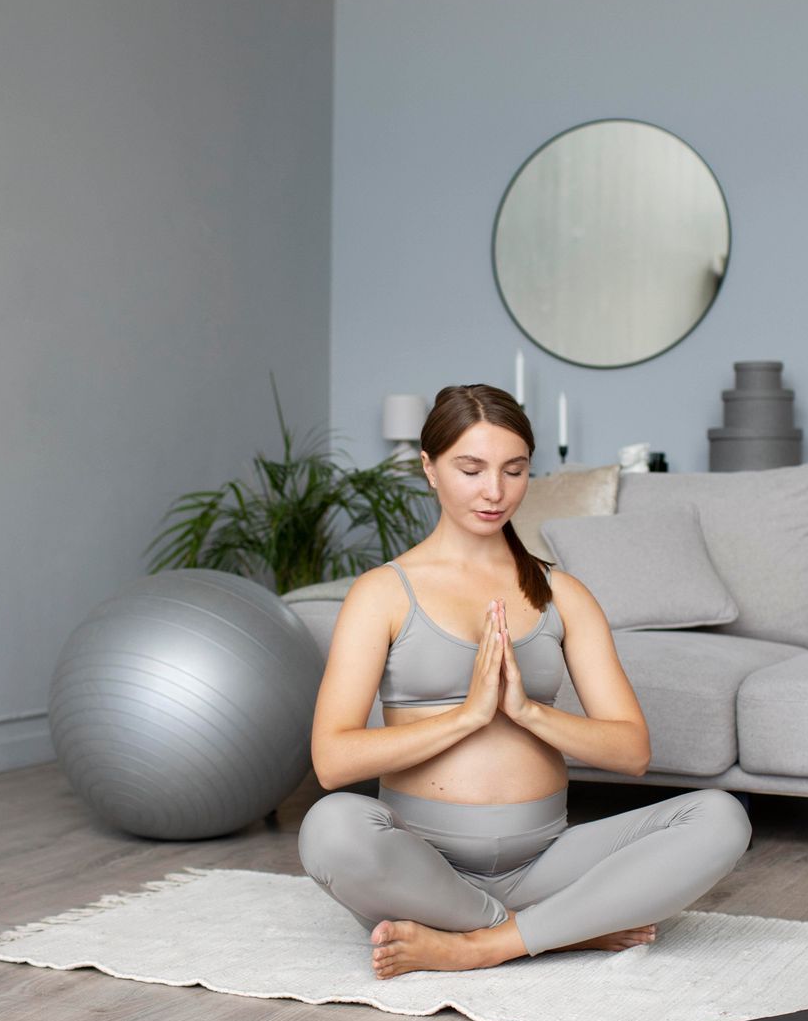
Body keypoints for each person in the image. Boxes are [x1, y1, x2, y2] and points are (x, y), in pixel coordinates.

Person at [298, 383, 752, 979]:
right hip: (424, 868)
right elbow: (332, 761)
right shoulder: (381, 593)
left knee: (722, 817)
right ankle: (560, 929)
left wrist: (528, 711)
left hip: (546, 862)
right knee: (329, 828)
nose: (495, 491)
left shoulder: (562, 593)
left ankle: (482, 942)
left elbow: (632, 751)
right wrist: (468, 715)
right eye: (472, 468)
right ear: (429, 468)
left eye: (514, 471)